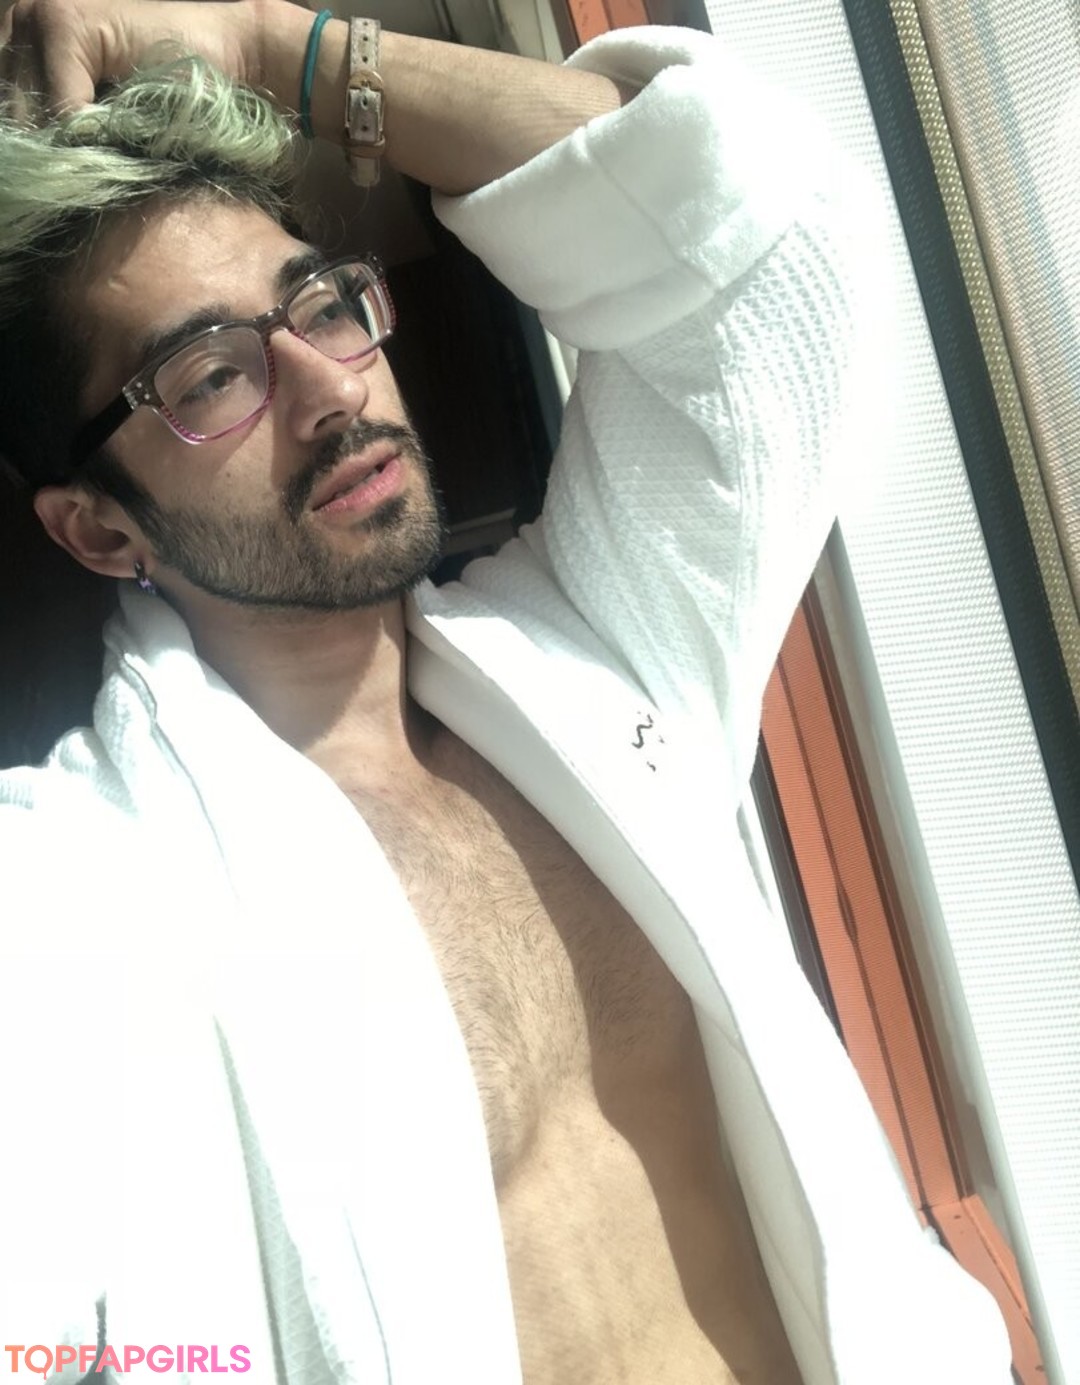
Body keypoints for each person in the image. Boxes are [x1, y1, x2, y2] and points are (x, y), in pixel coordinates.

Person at [0, 2, 1012, 1381]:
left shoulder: (583, 657)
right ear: (99, 529)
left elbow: (760, 252)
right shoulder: (84, 890)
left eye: (321, 305)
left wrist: (281, 50)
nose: (329, 388)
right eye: (211, 373)